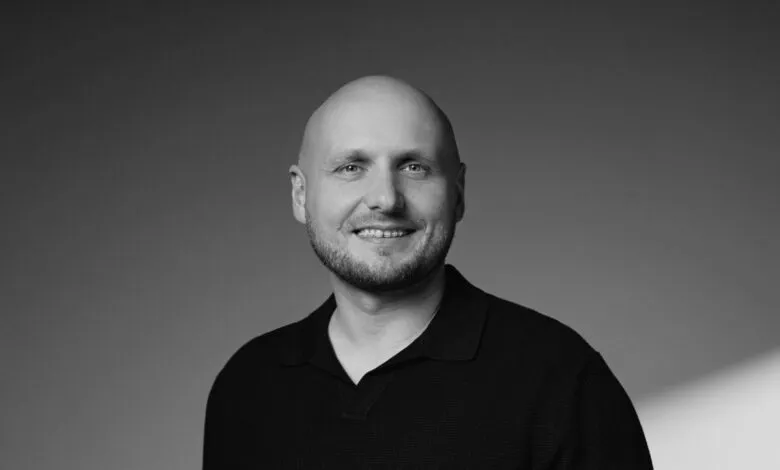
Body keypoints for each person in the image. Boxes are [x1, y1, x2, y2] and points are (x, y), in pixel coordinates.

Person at [203, 75, 653, 469]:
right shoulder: (248, 385)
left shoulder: (561, 380)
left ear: (456, 195)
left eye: (414, 167)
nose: (385, 198)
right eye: (351, 167)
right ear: (301, 196)